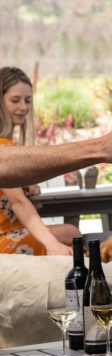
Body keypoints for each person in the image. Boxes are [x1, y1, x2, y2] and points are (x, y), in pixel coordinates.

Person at [0, 67, 80, 255]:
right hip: (5, 239)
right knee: (72, 235)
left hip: (13, 232)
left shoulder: (11, 145)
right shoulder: (4, 147)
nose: (24, 107)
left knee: (71, 234)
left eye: (28, 101)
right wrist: (51, 244)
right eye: (15, 100)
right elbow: (18, 202)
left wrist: (25, 184)